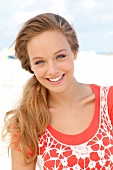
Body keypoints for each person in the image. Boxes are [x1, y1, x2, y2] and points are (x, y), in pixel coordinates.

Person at [2, 12, 113, 170]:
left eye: (60, 56)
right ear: (30, 66)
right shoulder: (26, 123)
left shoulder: (109, 102)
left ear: (74, 52)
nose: (52, 70)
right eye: (40, 62)